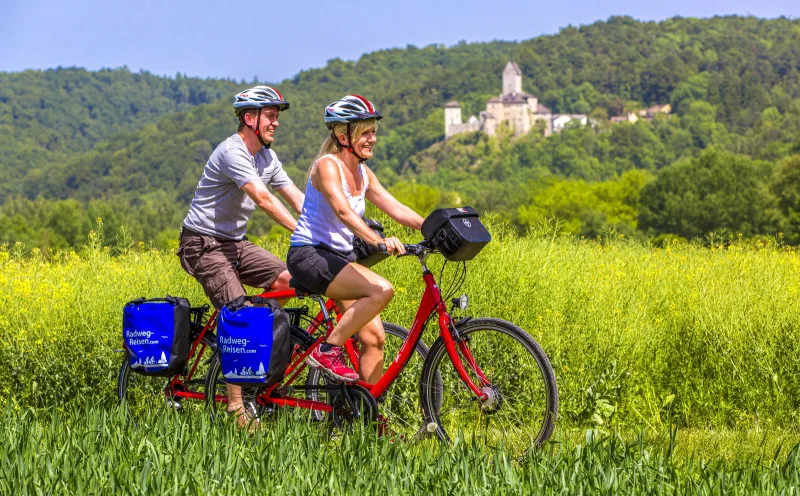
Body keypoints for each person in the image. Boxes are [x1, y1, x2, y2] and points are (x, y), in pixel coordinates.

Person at [177, 85, 304, 429]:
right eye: (270, 116)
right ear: (250, 118)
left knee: (292, 280)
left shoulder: (267, 158)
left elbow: (295, 197)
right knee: (240, 314)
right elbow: (264, 199)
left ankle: (257, 347)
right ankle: (236, 407)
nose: (276, 122)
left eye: (277, 116)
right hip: (202, 244)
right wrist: (301, 232)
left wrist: (324, 227)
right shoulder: (232, 152)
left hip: (235, 243)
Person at [287, 95, 424, 384]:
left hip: (338, 259)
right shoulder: (327, 166)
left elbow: (395, 207)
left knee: (374, 339)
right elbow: (343, 211)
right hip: (310, 256)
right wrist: (378, 240)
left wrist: (433, 228)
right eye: (365, 133)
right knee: (381, 290)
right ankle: (328, 350)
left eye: (374, 132)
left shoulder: (363, 172)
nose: (373, 139)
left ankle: (366, 410)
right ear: (343, 137)